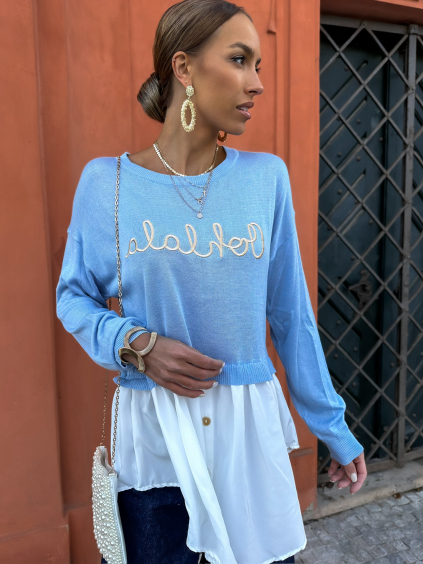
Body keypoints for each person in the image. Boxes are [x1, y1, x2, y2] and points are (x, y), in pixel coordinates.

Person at [56, 1, 367, 563]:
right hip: (155, 438)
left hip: (248, 439)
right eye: (240, 60)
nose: (257, 83)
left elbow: (291, 315)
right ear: (184, 67)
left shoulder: (265, 179)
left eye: (259, 65)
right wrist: (137, 344)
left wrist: (333, 428)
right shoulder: (108, 184)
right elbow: (73, 297)